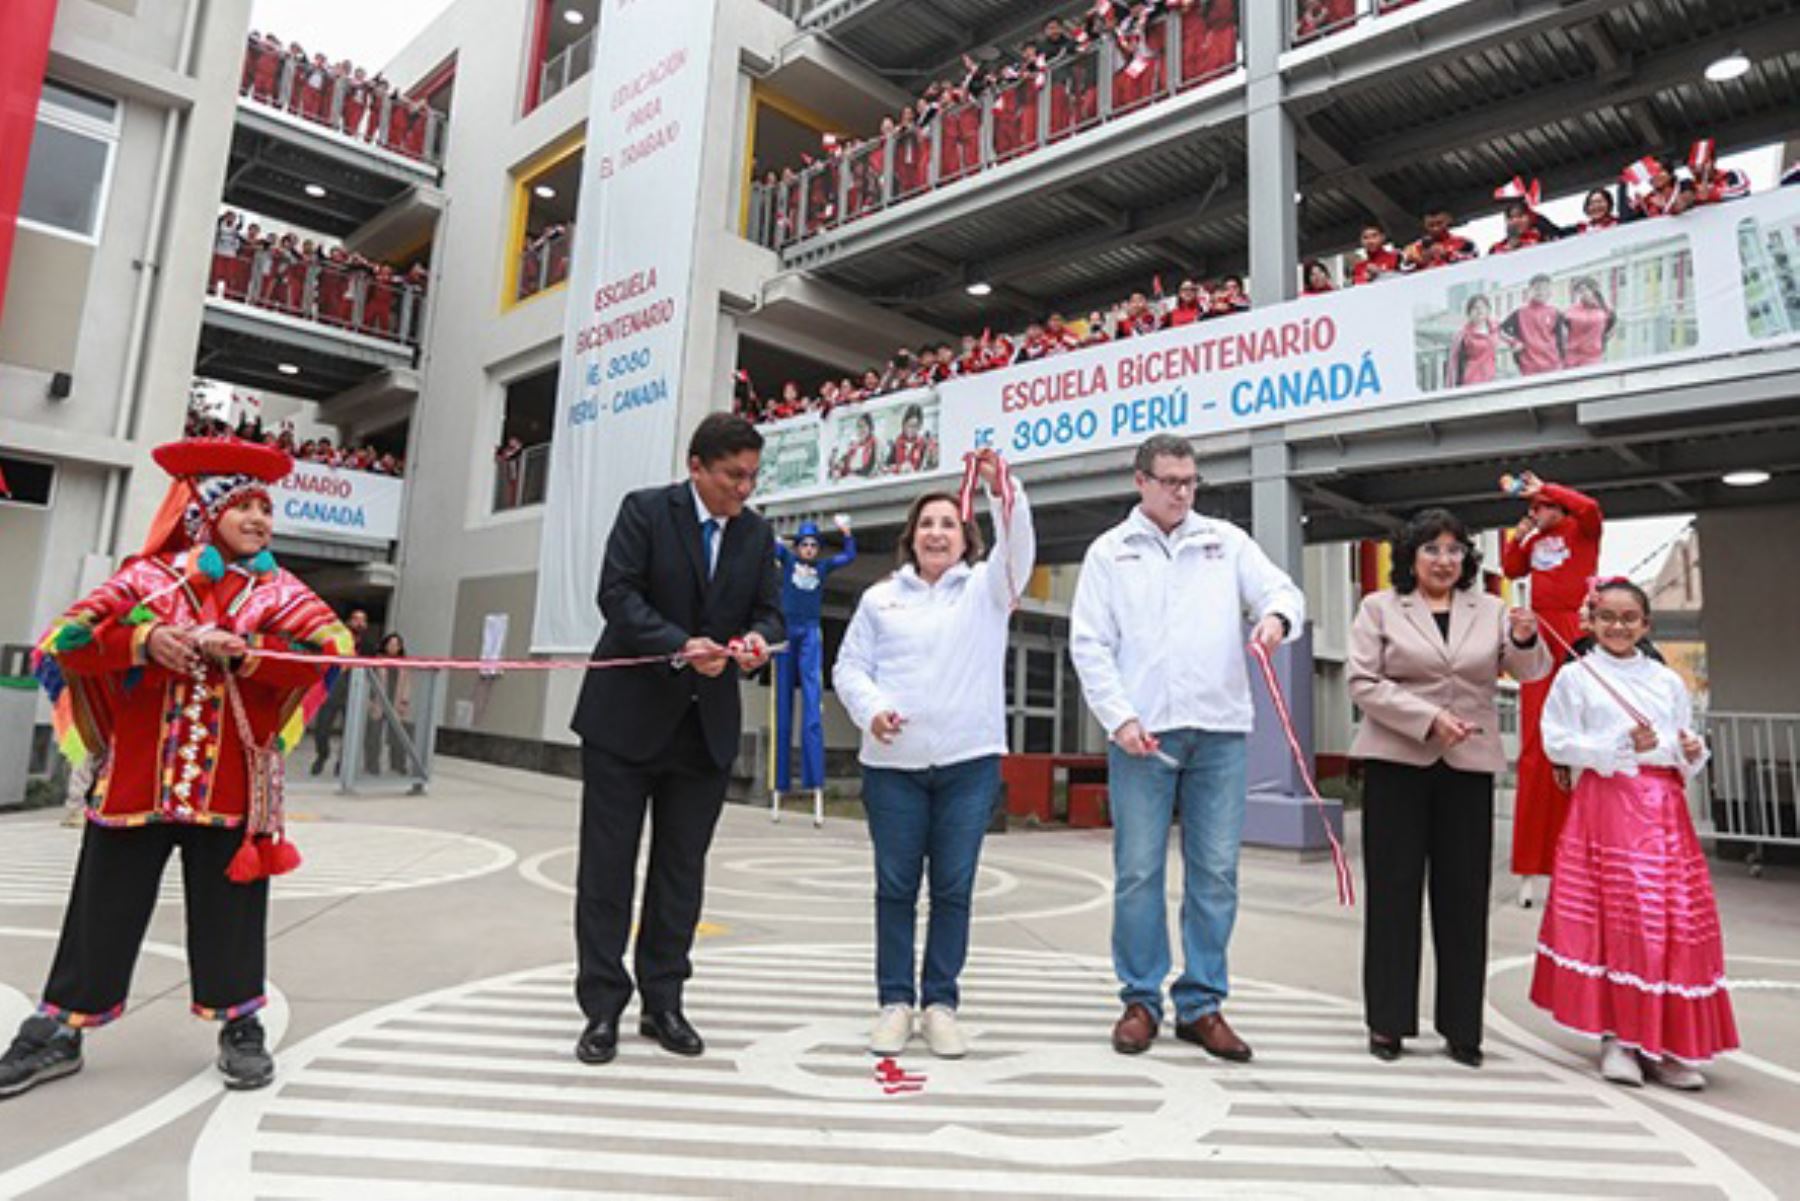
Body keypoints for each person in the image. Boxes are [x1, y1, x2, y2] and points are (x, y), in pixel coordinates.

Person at [1, 438, 349, 1099]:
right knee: (102, 903)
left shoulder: (277, 589)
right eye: (242, 505)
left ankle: (241, 1021)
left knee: (231, 907)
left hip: (231, 785)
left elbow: (329, 647)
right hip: (137, 779)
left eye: (265, 508)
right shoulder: (147, 579)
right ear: (203, 512)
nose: (258, 519)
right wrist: (143, 640)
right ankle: (60, 1024)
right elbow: (66, 638)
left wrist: (249, 652)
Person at [1070, 433, 1303, 1061]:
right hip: (1141, 736)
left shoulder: (1224, 542)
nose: (1182, 492)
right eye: (1170, 481)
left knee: (1217, 872)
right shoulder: (1109, 553)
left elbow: (1284, 592)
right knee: (1139, 870)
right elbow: (1089, 644)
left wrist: (1276, 620)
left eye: (1191, 481)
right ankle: (1142, 998)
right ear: (1140, 480)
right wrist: (1118, 718)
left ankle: (1201, 1003)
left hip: (1221, 732)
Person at [568, 413, 782, 1066]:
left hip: (704, 731)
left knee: (680, 874)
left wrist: (753, 645)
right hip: (625, 723)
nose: (743, 489)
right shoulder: (645, 512)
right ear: (696, 466)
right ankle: (602, 1006)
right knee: (607, 871)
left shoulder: (756, 535)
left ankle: (663, 1001)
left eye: (751, 476)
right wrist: (676, 646)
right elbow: (618, 594)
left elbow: (770, 613)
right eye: (732, 475)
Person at [833, 451, 1036, 1058]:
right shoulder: (878, 600)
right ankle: (895, 1002)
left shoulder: (988, 589)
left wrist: (1005, 491)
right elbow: (848, 668)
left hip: (968, 766)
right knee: (895, 888)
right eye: (927, 524)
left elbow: (1017, 545)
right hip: (892, 770)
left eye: (949, 523)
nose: (937, 532)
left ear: (966, 536)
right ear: (911, 538)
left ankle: (940, 1003)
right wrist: (871, 709)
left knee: (952, 888)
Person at [1348, 509, 1549, 1069]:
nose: (1444, 560)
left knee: (1464, 898)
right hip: (1396, 760)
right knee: (1393, 894)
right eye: (1432, 550)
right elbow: (1362, 682)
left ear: (1467, 559)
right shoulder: (1379, 608)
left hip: (1468, 762)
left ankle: (1463, 1028)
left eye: (1455, 551)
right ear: (1411, 556)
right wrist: (1428, 718)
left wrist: (1526, 639)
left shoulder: (1491, 609)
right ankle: (1387, 1022)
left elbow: (1528, 670)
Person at [1532, 579, 1738, 1088]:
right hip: (1607, 806)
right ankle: (1619, 1037)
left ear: (1646, 625)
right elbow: (1556, 742)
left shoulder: (1667, 681)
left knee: (1671, 921)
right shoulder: (1576, 678)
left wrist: (1689, 751)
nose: (1618, 626)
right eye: (1608, 617)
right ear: (1592, 622)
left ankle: (1665, 1042)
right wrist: (1616, 743)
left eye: (1629, 618)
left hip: (1665, 809)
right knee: (1621, 920)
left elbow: (1681, 737)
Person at [1500, 471, 1603, 904]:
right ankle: (1530, 863)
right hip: (1541, 632)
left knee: (1587, 737)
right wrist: (1518, 534)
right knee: (1535, 747)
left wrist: (1546, 490)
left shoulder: (1580, 528)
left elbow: (1591, 508)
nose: (1535, 512)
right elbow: (1509, 568)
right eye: (1532, 507)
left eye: (1540, 507)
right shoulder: (1532, 538)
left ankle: (1587, 857)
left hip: (1575, 630)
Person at [773, 516, 856, 806]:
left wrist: (847, 533)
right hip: (787, 630)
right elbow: (767, 544)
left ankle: (813, 780)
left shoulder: (821, 568)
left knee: (811, 703)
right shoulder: (787, 560)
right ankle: (779, 781)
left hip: (809, 630)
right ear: (797, 547)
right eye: (804, 544)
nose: (809, 549)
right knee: (782, 704)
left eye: (813, 545)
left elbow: (848, 556)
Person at [310, 607, 375, 774]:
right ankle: (322, 755)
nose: (359, 623)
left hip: (355, 692)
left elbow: (373, 672)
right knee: (322, 728)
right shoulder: (336, 639)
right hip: (332, 688)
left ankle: (342, 763)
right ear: (348, 622)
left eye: (362, 620)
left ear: (366, 625)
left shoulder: (369, 646)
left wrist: (371, 698)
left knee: (350, 732)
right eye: (356, 619)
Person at [363, 632, 413, 777]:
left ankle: (398, 765)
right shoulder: (377, 661)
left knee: (397, 737)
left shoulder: (404, 663)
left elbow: (407, 684)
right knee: (374, 737)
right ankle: (372, 765)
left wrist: (405, 702)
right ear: (385, 645)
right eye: (391, 643)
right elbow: (369, 682)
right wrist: (370, 702)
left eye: (397, 644)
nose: (393, 647)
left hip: (395, 704)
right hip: (378, 703)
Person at [1500, 274, 1564, 377]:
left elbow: (1560, 340)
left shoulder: (1555, 313)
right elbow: (1501, 330)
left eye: (1545, 288)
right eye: (1537, 288)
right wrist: (1514, 342)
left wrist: (1563, 362)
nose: (1541, 292)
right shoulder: (1520, 313)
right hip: (1529, 366)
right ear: (1530, 290)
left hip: (1553, 365)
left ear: (1549, 292)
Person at [1562, 276, 1617, 368]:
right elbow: (1564, 331)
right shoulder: (1570, 311)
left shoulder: (1606, 311)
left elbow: (1610, 331)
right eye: (1579, 291)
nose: (1582, 294)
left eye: (1585, 290)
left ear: (1593, 290)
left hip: (1593, 358)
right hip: (1572, 358)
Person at [1401, 207, 1477, 272]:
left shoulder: (1464, 243)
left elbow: (1473, 264)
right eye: (1431, 225)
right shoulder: (1414, 249)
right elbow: (1402, 271)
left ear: (1448, 220)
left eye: (1439, 223)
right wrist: (1416, 261)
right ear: (1424, 224)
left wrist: (1447, 254)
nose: (1436, 228)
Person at [1448, 294, 1499, 387]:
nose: (1479, 310)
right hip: (1472, 381)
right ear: (1469, 312)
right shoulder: (1462, 335)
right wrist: (1451, 389)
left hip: (1491, 378)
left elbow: (1508, 335)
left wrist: (1515, 343)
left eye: (1482, 307)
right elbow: (1453, 364)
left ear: (1488, 310)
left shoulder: (1494, 327)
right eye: (1475, 308)